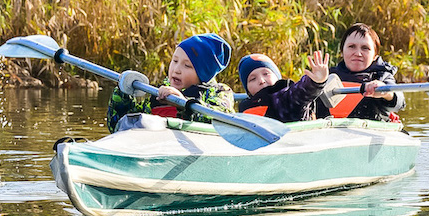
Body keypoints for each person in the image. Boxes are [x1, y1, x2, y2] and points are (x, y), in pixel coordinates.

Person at [106, 33, 235, 133]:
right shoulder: (159, 93)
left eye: (187, 66)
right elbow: (119, 125)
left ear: (203, 74)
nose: (177, 69)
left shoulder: (220, 92)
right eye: (175, 61)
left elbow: (221, 119)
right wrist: (123, 94)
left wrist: (183, 103)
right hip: (154, 147)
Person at [318, 22, 404, 122]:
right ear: (342, 51)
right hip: (328, 131)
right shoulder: (326, 76)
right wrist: (314, 84)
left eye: (365, 48)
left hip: (370, 131)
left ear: (375, 56)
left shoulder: (382, 76)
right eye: (351, 46)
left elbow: (399, 102)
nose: (358, 53)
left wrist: (385, 92)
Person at [237, 51, 330, 122]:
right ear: (248, 90)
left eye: (266, 73)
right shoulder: (245, 107)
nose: (261, 80)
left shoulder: (287, 96)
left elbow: (302, 92)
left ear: (277, 77)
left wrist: (316, 82)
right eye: (253, 79)